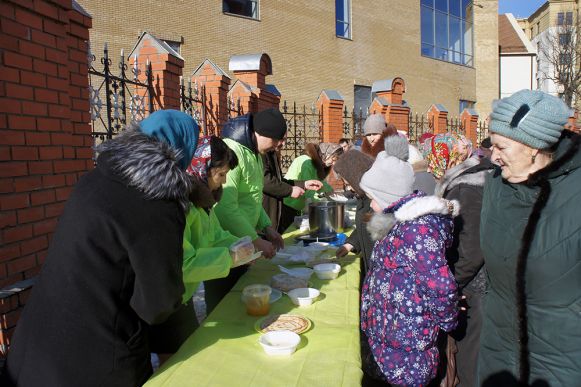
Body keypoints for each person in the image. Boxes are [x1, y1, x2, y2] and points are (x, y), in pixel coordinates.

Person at [2, 110, 200, 387]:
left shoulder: (95, 178)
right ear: (182, 152)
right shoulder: (157, 204)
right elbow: (157, 304)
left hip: (37, 341)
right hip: (97, 356)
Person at [478, 89, 581, 386]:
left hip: (563, 361)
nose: (493, 156)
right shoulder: (496, 184)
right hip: (498, 354)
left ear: (534, 147)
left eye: (502, 147)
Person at [149, 136, 258, 359]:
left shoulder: (203, 202)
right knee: (176, 361)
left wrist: (244, 246)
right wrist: (229, 257)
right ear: (201, 168)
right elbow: (184, 265)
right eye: (220, 175)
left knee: (190, 348)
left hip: (183, 297)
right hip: (166, 300)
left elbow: (217, 235)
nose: (223, 181)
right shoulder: (180, 207)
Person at [359, 151, 459, 387]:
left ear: (387, 196)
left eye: (372, 197)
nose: (370, 204)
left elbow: (441, 285)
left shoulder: (417, 231)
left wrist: (449, 320)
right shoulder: (396, 222)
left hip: (409, 342)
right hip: (389, 332)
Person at [207, 108, 286, 313]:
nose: (279, 144)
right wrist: (255, 240)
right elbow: (225, 208)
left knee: (243, 299)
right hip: (224, 246)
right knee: (224, 305)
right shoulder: (233, 152)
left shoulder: (256, 154)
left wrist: (267, 227)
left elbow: (252, 198)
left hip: (242, 243)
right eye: (277, 139)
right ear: (261, 133)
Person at [435, 137, 494, 387]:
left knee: (470, 361)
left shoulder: (465, 189)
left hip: (474, 288)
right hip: (483, 283)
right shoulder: (475, 179)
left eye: (433, 161)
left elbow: (470, 247)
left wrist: (451, 283)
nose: (429, 169)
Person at [279, 142, 343, 231]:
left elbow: (319, 182)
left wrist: (330, 191)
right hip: (289, 205)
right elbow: (309, 191)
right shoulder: (308, 162)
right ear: (325, 154)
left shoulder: (313, 162)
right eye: (333, 159)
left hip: (294, 204)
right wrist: (324, 207)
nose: (333, 163)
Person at [262, 143, 323, 233]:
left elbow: (279, 180)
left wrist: (304, 184)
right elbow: (266, 181)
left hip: (278, 209)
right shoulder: (307, 162)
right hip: (281, 207)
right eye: (281, 139)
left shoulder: (271, 153)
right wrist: (290, 190)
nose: (283, 143)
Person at [333, 149, 374, 272]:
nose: (349, 188)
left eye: (350, 183)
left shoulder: (374, 200)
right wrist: (350, 244)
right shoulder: (363, 197)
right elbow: (365, 224)